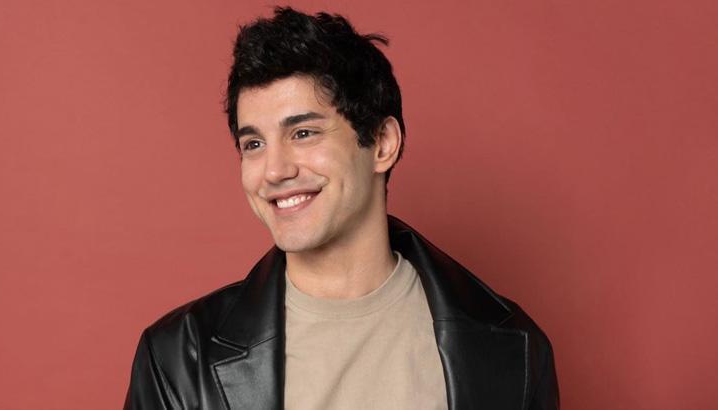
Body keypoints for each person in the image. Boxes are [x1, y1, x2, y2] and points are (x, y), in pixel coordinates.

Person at [125, 7, 559, 410]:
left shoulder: (513, 347)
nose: (274, 170)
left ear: (382, 144)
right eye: (253, 144)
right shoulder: (178, 358)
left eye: (303, 133)